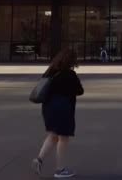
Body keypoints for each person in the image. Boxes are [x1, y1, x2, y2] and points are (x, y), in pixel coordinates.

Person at [32, 49, 84, 179]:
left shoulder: (50, 71)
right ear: (71, 61)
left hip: (48, 108)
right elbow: (80, 91)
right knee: (63, 138)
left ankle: (39, 160)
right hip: (63, 108)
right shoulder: (70, 74)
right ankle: (60, 169)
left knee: (53, 135)